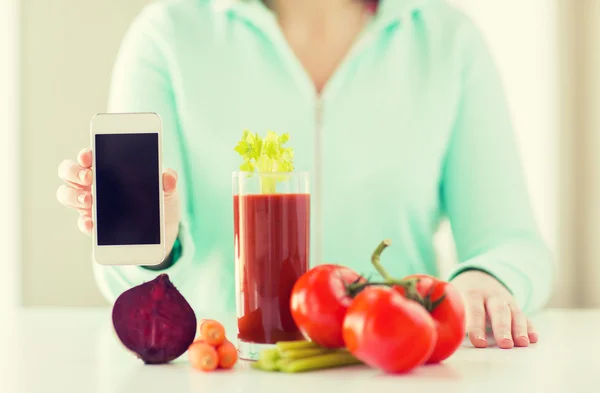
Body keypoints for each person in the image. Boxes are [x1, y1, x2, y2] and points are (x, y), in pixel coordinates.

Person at [56, 0, 554, 350]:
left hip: (394, 364)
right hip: (221, 367)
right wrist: (155, 245)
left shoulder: (447, 39)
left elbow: (513, 242)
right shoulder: (167, 35)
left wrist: (486, 280)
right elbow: (124, 276)